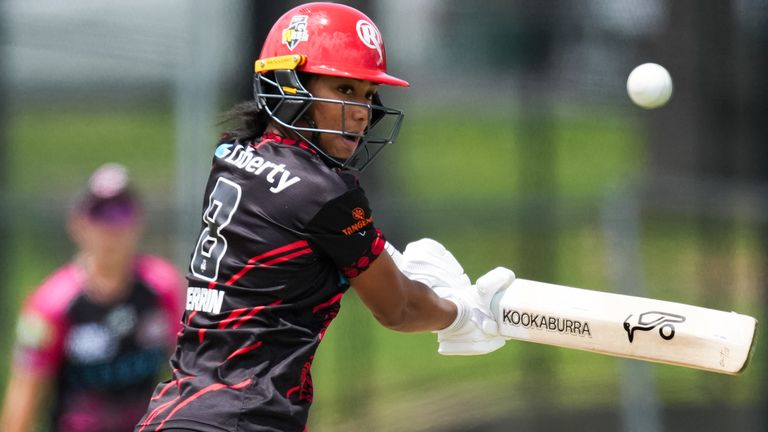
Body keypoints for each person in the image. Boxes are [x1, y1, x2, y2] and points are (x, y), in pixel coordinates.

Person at [135, 3, 515, 431]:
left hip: (173, 415)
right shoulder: (326, 192)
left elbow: (297, 231)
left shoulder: (232, 156)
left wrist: (384, 255)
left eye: (369, 96)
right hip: (243, 417)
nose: (361, 112)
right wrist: (461, 313)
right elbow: (399, 309)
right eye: (344, 90)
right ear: (290, 85)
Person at [0, 163, 184, 432]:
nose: (111, 227)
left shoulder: (165, 287)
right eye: (100, 213)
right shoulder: (49, 305)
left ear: (138, 221)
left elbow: (192, 372)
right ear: (77, 224)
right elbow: (24, 396)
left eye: (122, 212)